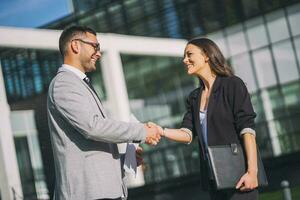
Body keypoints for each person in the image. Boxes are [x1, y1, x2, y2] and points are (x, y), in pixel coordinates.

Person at [47, 25, 161, 200]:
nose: (99, 53)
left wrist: (124, 160)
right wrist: (142, 131)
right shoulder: (64, 84)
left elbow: (91, 149)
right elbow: (94, 127)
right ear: (75, 45)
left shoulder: (79, 83)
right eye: (95, 46)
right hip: (88, 194)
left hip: (101, 192)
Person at [150, 38, 258, 200]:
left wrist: (252, 172)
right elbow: (187, 134)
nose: (184, 60)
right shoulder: (194, 97)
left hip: (239, 175)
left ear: (206, 55)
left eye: (189, 54)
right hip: (213, 177)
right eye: (184, 56)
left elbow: (247, 129)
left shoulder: (232, 85)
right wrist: (161, 131)